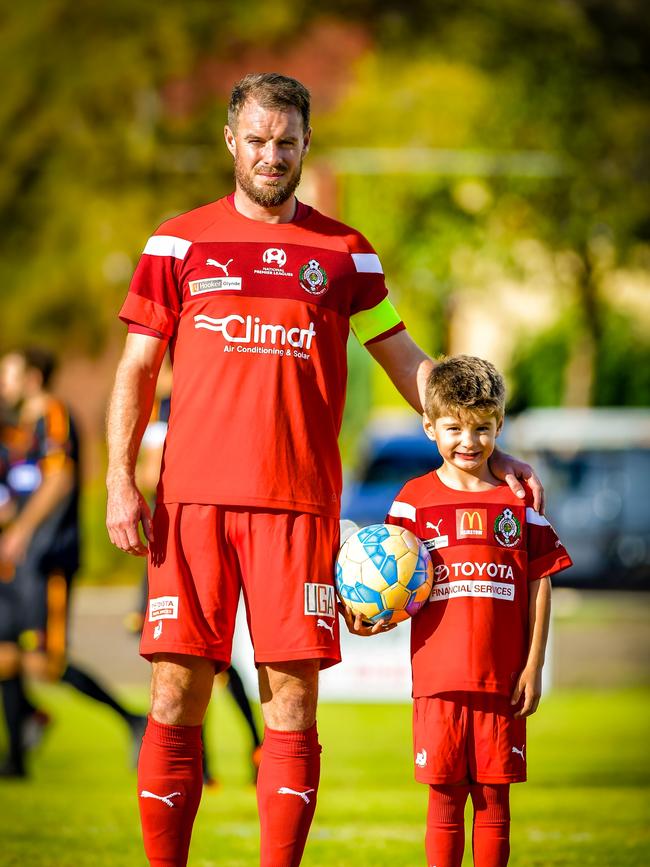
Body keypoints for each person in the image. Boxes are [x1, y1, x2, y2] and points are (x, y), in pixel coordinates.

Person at [105, 73, 544, 867]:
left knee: (293, 706)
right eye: (257, 140)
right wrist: (117, 478)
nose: (271, 155)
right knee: (174, 695)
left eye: (286, 141)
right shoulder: (177, 243)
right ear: (231, 143)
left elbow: (406, 361)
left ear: (307, 144)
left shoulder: (345, 254)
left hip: (299, 508)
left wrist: (483, 440)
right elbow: (137, 368)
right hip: (192, 506)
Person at [376, 355, 572, 867]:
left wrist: (533, 666)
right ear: (429, 427)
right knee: (443, 798)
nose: (469, 441)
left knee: (494, 801)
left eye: (483, 428)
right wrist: (371, 615)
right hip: (438, 681)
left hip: (502, 680)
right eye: (454, 427)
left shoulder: (518, 502)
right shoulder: (409, 503)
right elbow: (390, 584)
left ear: (499, 426)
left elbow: (539, 583)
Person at [0, 348, 146, 777]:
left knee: (46, 662)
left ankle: (130, 718)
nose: (2, 383)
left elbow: (60, 478)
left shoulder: (55, 415)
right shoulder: (16, 430)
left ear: (32, 379)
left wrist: (23, 531)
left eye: (7, 374)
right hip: (17, 561)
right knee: (5, 652)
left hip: (48, 558)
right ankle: (18, 755)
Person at [124, 364, 263, 787]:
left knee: (190, 656)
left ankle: (212, 761)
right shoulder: (178, 404)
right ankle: (237, 753)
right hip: (172, 542)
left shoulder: (176, 405)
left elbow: (151, 475)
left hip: (183, 538)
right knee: (200, 658)